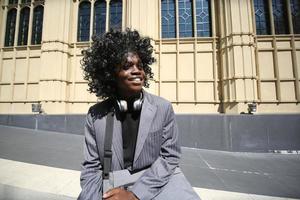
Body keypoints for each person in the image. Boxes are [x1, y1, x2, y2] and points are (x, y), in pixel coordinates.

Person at [78, 28, 200, 200]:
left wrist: (135, 195)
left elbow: (170, 157)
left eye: (140, 66)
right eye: (127, 66)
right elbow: (91, 168)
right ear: (110, 74)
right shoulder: (96, 115)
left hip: (156, 177)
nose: (137, 71)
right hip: (112, 179)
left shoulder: (162, 107)